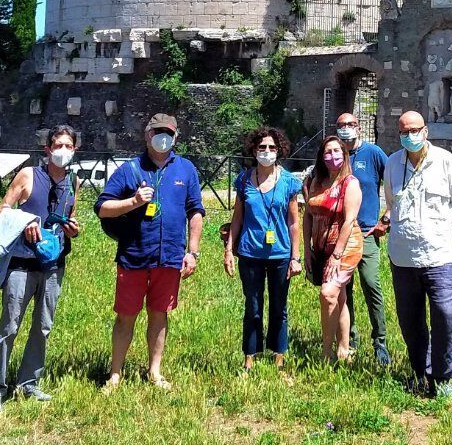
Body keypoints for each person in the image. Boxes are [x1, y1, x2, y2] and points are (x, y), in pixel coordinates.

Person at [96, 113, 204, 390]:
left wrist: (192, 252)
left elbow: (195, 212)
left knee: (159, 313)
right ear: (147, 135)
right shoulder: (130, 169)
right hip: (134, 254)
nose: (163, 137)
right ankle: (115, 373)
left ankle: (154, 372)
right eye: (158, 132)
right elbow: (103, 208)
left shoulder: (186, 169)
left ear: (175, 137)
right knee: (126, 316)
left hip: (170, 256)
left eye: (169, 133)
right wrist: (132, 202)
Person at [0, 125, 81, 413]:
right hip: (22, 263)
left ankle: (29, 382)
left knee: (43, 325)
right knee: (10, 325)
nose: (63, 151)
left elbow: (70, 216)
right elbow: (1, 211)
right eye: (58, 145)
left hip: (53, 264)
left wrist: (73, 230)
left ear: (75, 150)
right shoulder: (28, 175)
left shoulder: (73, 181)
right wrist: (25, 223)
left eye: (68, 146)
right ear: (47, 149)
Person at [383, 111, 452, 399]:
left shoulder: (444, 160)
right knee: (410, 320)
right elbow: (391, 202)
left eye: (415, 130)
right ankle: (420, 373)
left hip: (440, 255)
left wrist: (435, 226)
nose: (410, 136)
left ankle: (442, 378)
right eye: (404, 131)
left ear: (426, 131)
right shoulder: (392, 164)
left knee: (445, 314)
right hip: (403, 257)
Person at [223, 127, 303, 373]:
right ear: (254, 150)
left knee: (279, 307)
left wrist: (296, 257)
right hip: (250, 253)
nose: (267, 151)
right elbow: (237, 218)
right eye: (262, 147)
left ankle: (279, 357)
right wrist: (229, 250)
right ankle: (250, 356)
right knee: (253, 307)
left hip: (280, 254)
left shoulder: (289, 181)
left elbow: (294, 222)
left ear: (279, 151)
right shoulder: (244, 180)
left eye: (272, 147)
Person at [335, 112, 392, 366]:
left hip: (367, 231)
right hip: (340, 234)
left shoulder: (373, 153)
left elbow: (395, 183)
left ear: (358, 127)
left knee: (371, 284)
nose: (346, 128)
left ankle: (380, 341)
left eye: (350, 124)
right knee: (344, 289)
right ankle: (350, 339)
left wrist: (386, 219)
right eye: (341, 125)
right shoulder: (335, 155)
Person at [302, 135, 363, 362]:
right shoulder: (315, 182)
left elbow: (349, 221)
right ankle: (344, 349)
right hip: (320, 245)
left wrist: (336, 255)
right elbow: (308, 215)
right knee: (340, 297)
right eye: (328, 152)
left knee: (328, 294)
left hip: (345, 246)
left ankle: (327, 352)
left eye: (337, 151)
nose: (333, 156)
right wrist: (307, 249)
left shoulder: (350, 183)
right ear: (321, 156)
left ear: (344, 155)